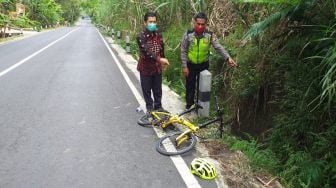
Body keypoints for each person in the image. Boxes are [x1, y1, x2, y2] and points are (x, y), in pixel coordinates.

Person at [181, 12, 236, 109]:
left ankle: (201, 108)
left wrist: (228, 58)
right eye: (198, 24)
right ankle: (189, 106)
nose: (200, 26)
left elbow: (218, 47)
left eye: (202, 24)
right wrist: (185, 66)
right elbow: (183, 50)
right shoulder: (188, 34)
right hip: (191, 64)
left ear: (205, 24)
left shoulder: (209, 35)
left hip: (203, 65)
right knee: (190, 86)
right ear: (194, 23)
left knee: (203, 87)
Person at [136, 12, 169, 113]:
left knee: (157, 89)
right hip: (145, 68)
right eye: (150, 22)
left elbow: (161, 48)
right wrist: (160, 59)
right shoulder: (140, 36)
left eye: (154, 22)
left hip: (157, 67)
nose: (152, 24)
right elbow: (147, 52)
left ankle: (158, 106)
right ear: (145, 22)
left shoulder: (158, 33)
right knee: (146, 89)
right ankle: (149, 108)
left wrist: (163, 60)